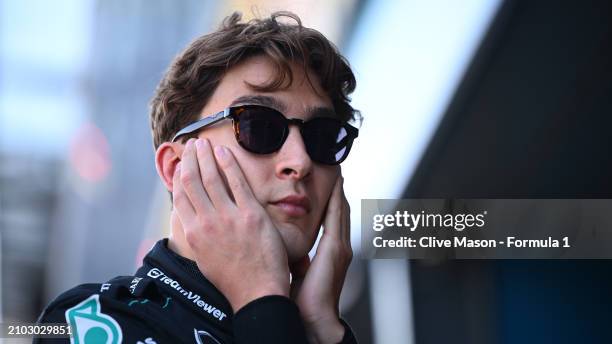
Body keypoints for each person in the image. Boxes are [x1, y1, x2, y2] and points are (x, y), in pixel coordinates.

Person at [36, 11, 360, 344]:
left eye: (322, 137)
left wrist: (321, 329)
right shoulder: (87, 319)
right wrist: (260, 298)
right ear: (177, 168)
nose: (300, 161)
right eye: (258, 126)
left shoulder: (321, 329)